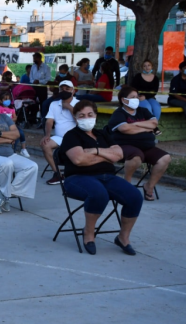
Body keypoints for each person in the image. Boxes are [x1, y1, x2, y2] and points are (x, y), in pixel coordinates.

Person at [60, 100, 142, 255]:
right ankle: (89, 233)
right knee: (98, 194)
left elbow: (118, 155)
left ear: (96, 116)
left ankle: (123, 237)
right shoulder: (71, 136)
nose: (86, 118)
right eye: (82, 115)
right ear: (76, 118)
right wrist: (106, 155)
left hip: (107, 176)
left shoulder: (102, 134)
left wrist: (95, 151)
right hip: (78, 178)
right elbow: (79, 160)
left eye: (90, 114)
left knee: (135, 196)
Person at [108, 86, 171, 201]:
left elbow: (154, 123)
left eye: (137, 97)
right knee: (136, 156)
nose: (136, 99)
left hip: (147, 147)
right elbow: (125, 129)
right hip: (125, 147)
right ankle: (127, 185)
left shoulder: (143, 111)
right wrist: (145, 127)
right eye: (132, 97)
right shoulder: (119, 113)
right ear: (123, 100)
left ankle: (149, 187)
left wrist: (134, 125)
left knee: (165, 158)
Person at [42, 80, 79, 185]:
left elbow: (80, 122)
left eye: (67, 89)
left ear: (73, 91)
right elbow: (49, 121)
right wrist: (47, 135)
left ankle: (76, 174)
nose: (64, 91)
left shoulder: (79, 104)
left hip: (75, 137)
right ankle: (57, 174)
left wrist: (69, 108)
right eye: (62, 89)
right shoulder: (54, 104)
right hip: (59, 137)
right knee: (45, 144)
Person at [131, 59, 162, 134]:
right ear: (142, 67)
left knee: (157, 107)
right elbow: (133, 88)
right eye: (144, 66)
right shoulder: (138, 77)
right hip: (139, 98)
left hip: (150, 97)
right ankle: (153, 128)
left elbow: (154, 91)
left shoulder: (155, 78)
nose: (147, 67)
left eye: (148, 65)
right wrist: (138, 96)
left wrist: (145, 96)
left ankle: (153, 126)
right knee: (147, 107)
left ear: (152, 67)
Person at [0, 91, 29, 157]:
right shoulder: (0, 108)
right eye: (5, 99)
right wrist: (10, 120)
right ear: (1, 100)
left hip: (12, 126)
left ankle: (23, 149)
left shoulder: (12, 109)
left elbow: (15, 118)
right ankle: (12, 150)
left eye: (8, 99)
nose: (7, 101)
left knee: (20, 133)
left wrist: (9, 120)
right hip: (3, 126)